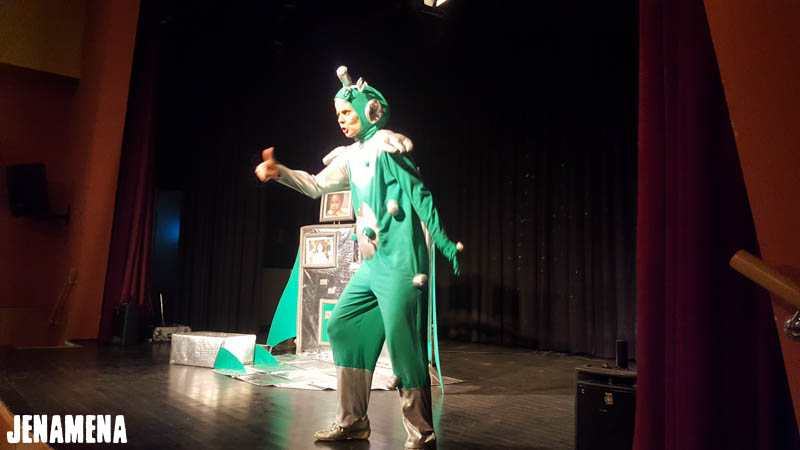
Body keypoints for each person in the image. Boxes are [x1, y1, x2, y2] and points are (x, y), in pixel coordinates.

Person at [255, 66, 462, 449]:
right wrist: (279, 171)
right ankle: (353, 421)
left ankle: (422, 433)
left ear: (370, 110)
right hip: (373, 264)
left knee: (403, 345)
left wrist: (443, 241)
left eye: (347, 112)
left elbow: (420, 194)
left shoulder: (387, 147)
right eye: (338, 114)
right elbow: (316, 185)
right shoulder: (350, 156)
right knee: (344, 326)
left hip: (401, 263)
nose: (341, 120)